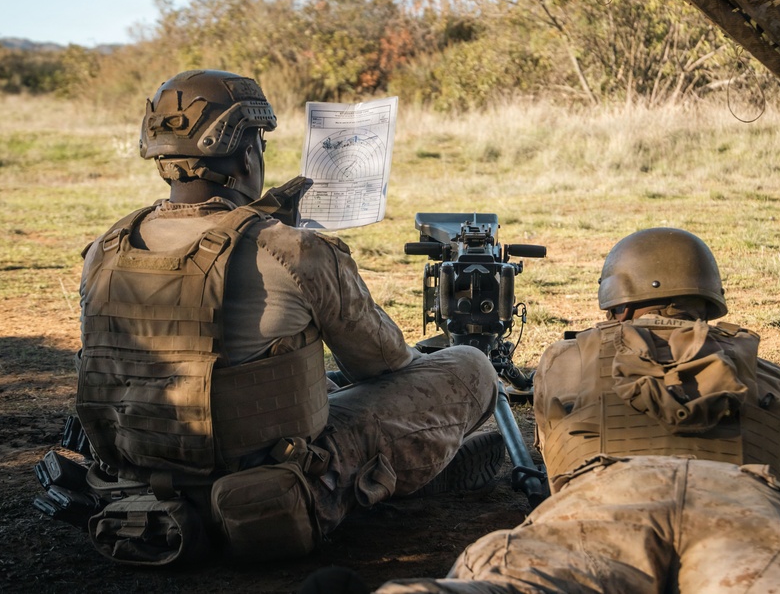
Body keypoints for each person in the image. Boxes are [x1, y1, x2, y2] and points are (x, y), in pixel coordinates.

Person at [60, 69, 500, 566]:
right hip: (270, 492)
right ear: (248, 153)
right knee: (469, 367)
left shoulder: (106, 248)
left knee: (319, 382)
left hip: (137, 484)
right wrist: (298, 247)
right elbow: (381, 362)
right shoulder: (292, 248)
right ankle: (392, 476)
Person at [368, 228, 780, 593]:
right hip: (745, 500)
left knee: (517, 581)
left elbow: (559, 472)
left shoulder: (566, 361)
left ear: (617, 304)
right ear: (711, 302)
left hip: (606, 496)